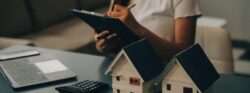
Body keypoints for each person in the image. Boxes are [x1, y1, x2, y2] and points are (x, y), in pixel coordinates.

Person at [94, 0, 202, 61]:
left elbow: (184, 52)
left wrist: (135, 27)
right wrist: (104, 45)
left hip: (162, 73)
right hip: (122, 67)